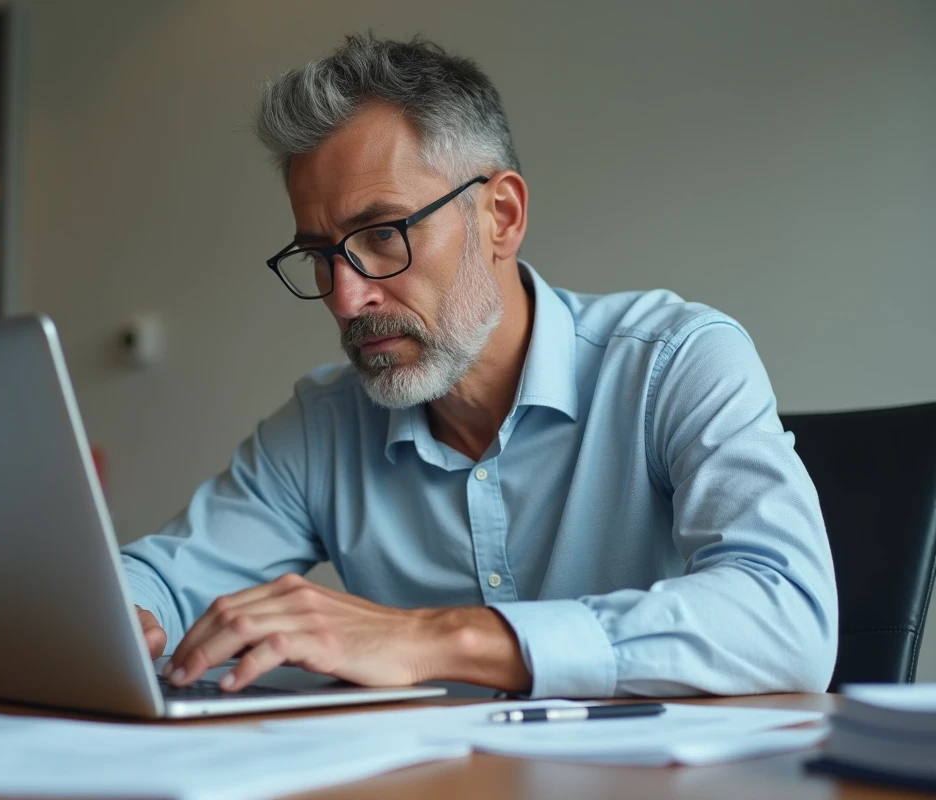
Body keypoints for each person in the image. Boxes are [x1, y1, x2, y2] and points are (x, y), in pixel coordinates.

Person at [120, 33, 837, 699]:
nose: (345, 296)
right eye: (318, 254)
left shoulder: (675, 362)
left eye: (382, 233)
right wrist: (125, 610)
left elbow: (787, 618)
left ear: (500, 215)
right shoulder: (321, 427)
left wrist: (436, 638)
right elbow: (158, 578)